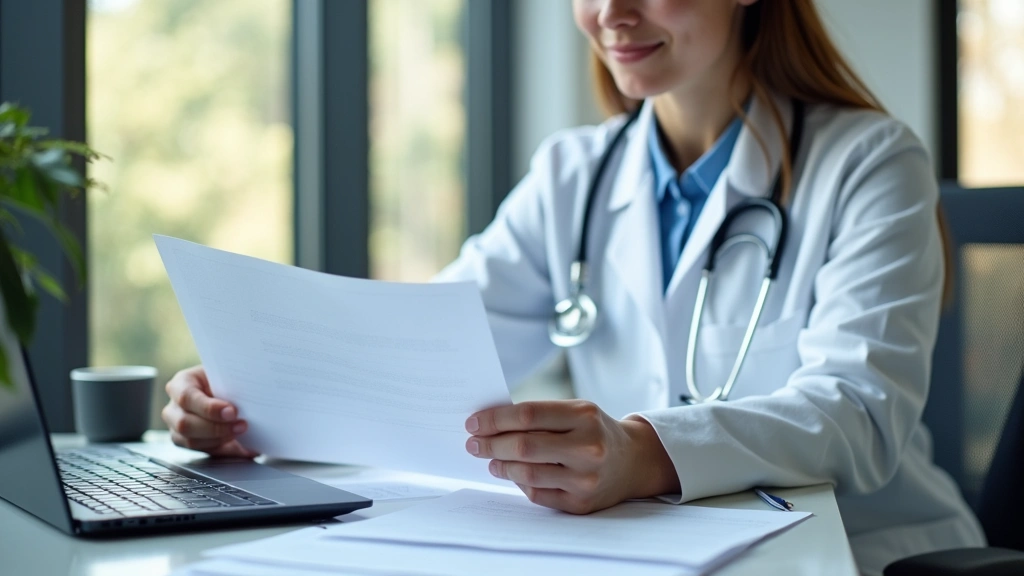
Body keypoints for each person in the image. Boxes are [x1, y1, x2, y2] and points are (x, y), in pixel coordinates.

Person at [161, 0, 985, 573]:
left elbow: (860, 415)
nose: (612, 13)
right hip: (640, 550)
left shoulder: (870, 163)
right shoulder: (574, 174)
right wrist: (255, 402)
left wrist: (643, 454)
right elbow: (425, 353)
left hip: (860, 553)